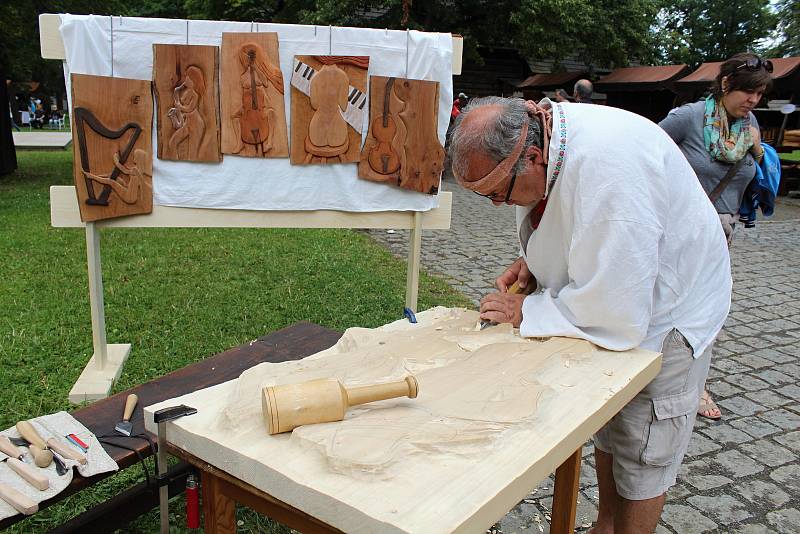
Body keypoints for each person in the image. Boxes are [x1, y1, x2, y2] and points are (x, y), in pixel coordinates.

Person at [448, 96, 731, 533]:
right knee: (610, 423)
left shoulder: (612, 170)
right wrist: (540, 259)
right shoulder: (547, 135)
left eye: (496, 193)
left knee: (643, 450)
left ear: (533, 156)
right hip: (629, 288)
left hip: (669, 309)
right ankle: (604, 526)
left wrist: (527, 310)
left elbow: (617, 304)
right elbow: (570, 216)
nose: (496, 206)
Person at [659, 52, 772, 420]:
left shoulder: (748, 124)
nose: (753, 101)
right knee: (670, 300)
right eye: (748, 92)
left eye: (759, 94)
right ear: (726, 85)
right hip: (682, 229)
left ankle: (696, 381)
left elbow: (755, 174)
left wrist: (756, 148)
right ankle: (652, 371)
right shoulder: (688, 118)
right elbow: (646, 151)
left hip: (722, 234)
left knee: (708, 306)